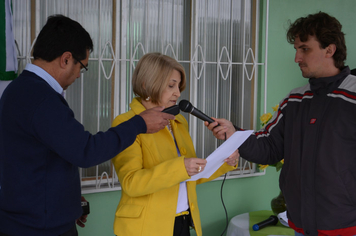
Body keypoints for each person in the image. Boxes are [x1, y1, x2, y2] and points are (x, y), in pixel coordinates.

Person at [0, 15, 174, 236]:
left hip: (34, 217)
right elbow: (86, 150)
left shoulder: (19, 90)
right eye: (81, 68)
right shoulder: (40, 99)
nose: (77, 76)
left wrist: (69, 197)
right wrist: (139, 123)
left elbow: (38, 158)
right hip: (38, 228)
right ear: (66, 59)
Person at [205, 12, 356, 236]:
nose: (297, 58)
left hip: (347, 226)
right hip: (301, 226)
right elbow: (269, 148)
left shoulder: (352, 96)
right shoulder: (295, 100)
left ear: (330, 50)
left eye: (304, 49)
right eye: (296, 49)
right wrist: (233, 133)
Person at [111, 52, 239, 236]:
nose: (178, 93)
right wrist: (181, 167)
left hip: (182, 222)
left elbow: (189, 175)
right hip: (145, 228)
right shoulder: (127, 123)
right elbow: (132, 183)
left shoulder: (178, 122)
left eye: (178, 86)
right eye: (171, 85)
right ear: (147, 85)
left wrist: (225, 161)